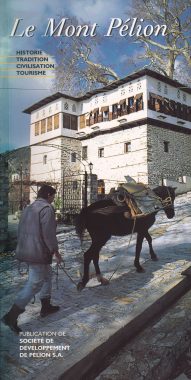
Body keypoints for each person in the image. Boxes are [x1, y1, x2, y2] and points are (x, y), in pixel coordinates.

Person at [2, 185, 62, 334]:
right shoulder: (46, 209)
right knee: (34, 284)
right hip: (38, 252)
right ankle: (11, 316)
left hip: (26, 250)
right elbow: (49, 234)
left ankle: (46, 306)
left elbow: (21, 229)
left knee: (47, 276)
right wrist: (55, 251)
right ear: (48, 195)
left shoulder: (29, 208)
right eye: (53, 196)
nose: (54, 199)